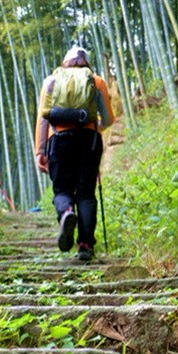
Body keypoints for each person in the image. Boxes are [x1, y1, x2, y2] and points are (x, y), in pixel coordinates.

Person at [34, 46, 115, 261]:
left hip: (59, 140)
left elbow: (43, 119)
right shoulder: (96, 81)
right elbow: (108, 120)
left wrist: (40, 151)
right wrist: (92, 125)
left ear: (65, 62)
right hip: (88, 140)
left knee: (62, 190)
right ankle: (85, 245)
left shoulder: (50, 81)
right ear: (86, 62)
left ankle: (67, 212)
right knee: (86, 193)